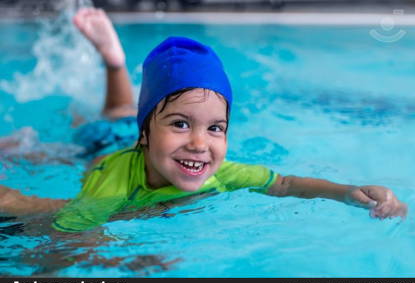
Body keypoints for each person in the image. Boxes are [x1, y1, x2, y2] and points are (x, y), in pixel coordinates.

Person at [0, 8, 407, 233]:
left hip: (141, 128)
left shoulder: (219, 170)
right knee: (88, 132)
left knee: (126, 113)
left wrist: (349, 192)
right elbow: (69, 233)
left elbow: (284, 184)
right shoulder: (113, 182)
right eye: (181, 124)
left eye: (215, 128)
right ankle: (114, 65)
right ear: (147, 136)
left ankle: (114, 60)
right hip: (104, 144)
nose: (199, 143)